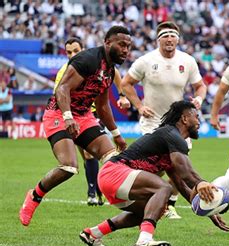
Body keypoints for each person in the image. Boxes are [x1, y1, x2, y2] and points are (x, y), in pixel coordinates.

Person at [80, 101, 229, 246]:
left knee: (152, 210)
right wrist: (201, 183)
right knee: (164, 188)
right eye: (196, 117)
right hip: (115, 173)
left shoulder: (171, 142)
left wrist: (209, 210)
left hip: (114, 180)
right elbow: (187, 173)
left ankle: (93, 234)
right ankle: (144, 241)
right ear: (185, 119)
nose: (199, 121)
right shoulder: (173, 136)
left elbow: (183, 185)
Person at [19, 26, 132, 227]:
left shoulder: (109, 70)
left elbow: (104, 106)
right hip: (58, 113)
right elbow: (62, 88)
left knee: (114, 160)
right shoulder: (87, 59)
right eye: (121, 44)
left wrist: (116, 134)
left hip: (84, 116)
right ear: (107, 42)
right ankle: (34, 196)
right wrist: (68, 116)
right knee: (69, 167)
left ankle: (122, 203)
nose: (126, 50)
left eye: (128, 46)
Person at [121, 21, 207, 219]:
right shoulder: (146, 60)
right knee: (156, 168)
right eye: (165, 36)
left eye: (173, 35)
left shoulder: (187, 61)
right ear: (158, 39)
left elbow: (200, 86)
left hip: (179, 125)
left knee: (179, 166)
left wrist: (199, 99)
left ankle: (169, 204)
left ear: (178, 39)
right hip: (153, 123)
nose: (169, 39)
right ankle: (130, 194)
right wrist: (140, 106)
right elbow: (126, 84)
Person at [54, 37, 131, 206]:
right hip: (75, 117)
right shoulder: (64, 72)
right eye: (69, 52)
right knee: (85, 156)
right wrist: (67, 116)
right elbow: (60, 93)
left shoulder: (97, 64)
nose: (73, 54)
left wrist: (122, 95)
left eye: (76, 50)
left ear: (84, 49)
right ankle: (96, 189)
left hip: (94, 114)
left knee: (93, 154)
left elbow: (116, 75)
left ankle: (94, 193)